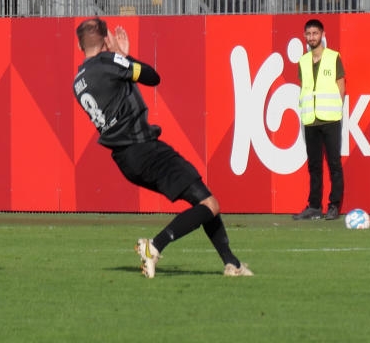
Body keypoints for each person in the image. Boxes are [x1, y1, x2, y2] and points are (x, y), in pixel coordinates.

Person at [73, 18, 252, 278]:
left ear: (80, 46)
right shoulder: (109, 62)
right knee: (209, 203)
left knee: (204, 199)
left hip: (125, 159)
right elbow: (152, 77)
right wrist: (122, 55)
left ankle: (232, 264)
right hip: (143, 148)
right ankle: (154, 245)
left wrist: (117, 58)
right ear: (104, 40)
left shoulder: (78, 81)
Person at [292, 18, 345, 221]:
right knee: (314, 165)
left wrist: (336, 109)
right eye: (309, 34)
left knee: (334, 164)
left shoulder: (333, 57)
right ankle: (314, 206)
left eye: (315, 33)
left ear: (322, 35)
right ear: (305, 37)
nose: (312, 37)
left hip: (330, 118)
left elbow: (341, 86)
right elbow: (305, 88)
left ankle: (334, 206)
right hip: (310, 119)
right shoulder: (303, 61)